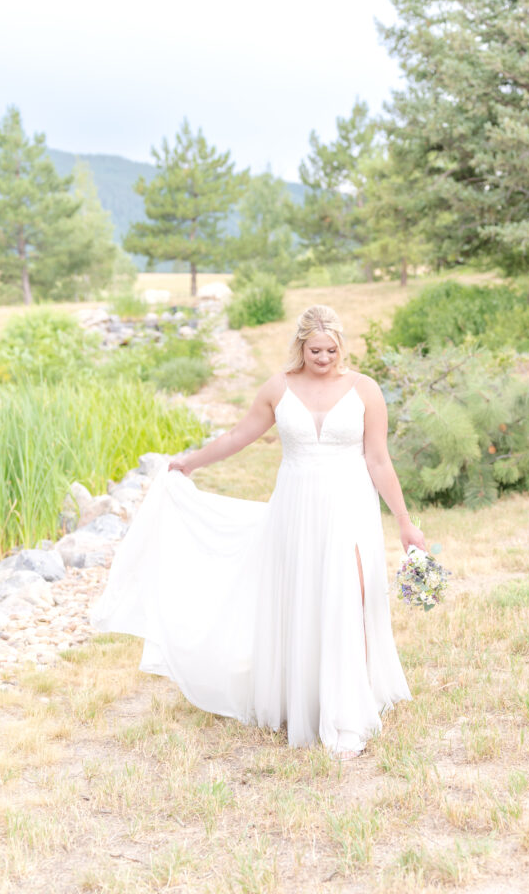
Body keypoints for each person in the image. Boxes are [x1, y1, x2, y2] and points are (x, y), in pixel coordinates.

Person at [92, 305, 425, 759]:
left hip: (349, 507)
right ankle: (302, 698)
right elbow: (238, 435)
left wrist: (405, 522)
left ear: (341, 346)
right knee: (302, 596)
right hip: (294, 506)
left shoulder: (365, 390)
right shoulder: (278, 389)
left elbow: (379, 459)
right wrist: (191, 461)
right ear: (300, 346)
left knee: (347, 595)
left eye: (331, 350)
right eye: (314, 350)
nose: (323, 358)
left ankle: (347, 706)